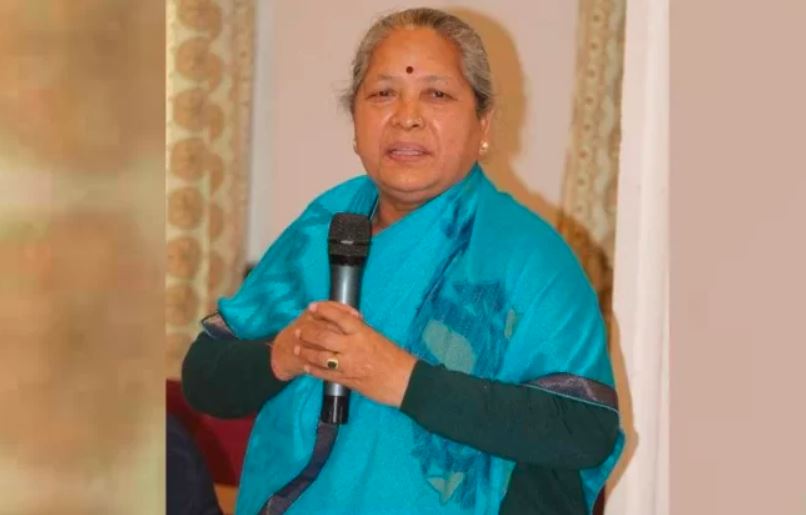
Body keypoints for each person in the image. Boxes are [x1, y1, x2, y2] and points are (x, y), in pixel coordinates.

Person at [182, 7, 624, 514]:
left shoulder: (526, 255)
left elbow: (582, 427)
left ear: (483, 124)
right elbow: (204, 376)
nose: (406, 116)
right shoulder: (323, 227)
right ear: (355, 124)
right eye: (383, 94)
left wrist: (402, 379)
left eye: (437, 95)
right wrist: (284, 353)